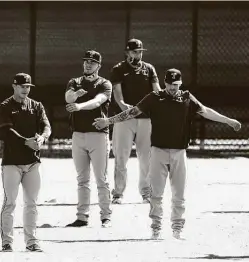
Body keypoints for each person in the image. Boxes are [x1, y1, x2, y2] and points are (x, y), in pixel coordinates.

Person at [93, 68, 241, 240]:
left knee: (179, 193)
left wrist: (229, 121)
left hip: (179, 151)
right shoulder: (155, 98)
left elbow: (205, 111)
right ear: (165, 83)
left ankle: (177, 228)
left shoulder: (186, 97)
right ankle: (156, 228)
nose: (173, 88)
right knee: (156, 193)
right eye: (170, 85)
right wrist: (108, 121)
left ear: (180, 83)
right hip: (158, 151)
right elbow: (132, 112)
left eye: (176, 85)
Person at [0, 73, 51, 252]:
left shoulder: (36, 106)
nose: (25, 90)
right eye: (22, 86)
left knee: (32, 203)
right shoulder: (5, 106)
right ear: (14, 86)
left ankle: (32, 242)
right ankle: (7, 241)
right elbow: (7, 130)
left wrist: (43, 138)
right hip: (12, 162)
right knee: (10, 202)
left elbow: (46, 126)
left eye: (28, 87)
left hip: (32, 162)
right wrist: (25, 141)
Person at [110, 38, 161, 204]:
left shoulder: (149, 69)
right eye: (134, 52)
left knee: (146, 157)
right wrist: (125, 107)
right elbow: (118, 95)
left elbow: (157, 91)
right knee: (121, 155)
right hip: (125, 118)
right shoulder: (119, 69)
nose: (137, 54)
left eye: (139, 52)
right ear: (127, 52)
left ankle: (146, 192)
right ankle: (118, 193)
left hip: (146, 118)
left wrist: (161, 105)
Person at [65, 50, 112, 228]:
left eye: (92, 62)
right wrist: (75, 96)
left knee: (101, 178)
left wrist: (79, 106)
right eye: (86, 61)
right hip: (78, 134)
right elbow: (67, 97)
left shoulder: (104, 83)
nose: (88, 64)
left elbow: (98, 101)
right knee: (82, 178)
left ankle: (106, 216)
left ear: (99, 65)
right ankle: (82, 216)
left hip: (98, 135)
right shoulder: (75, 82)